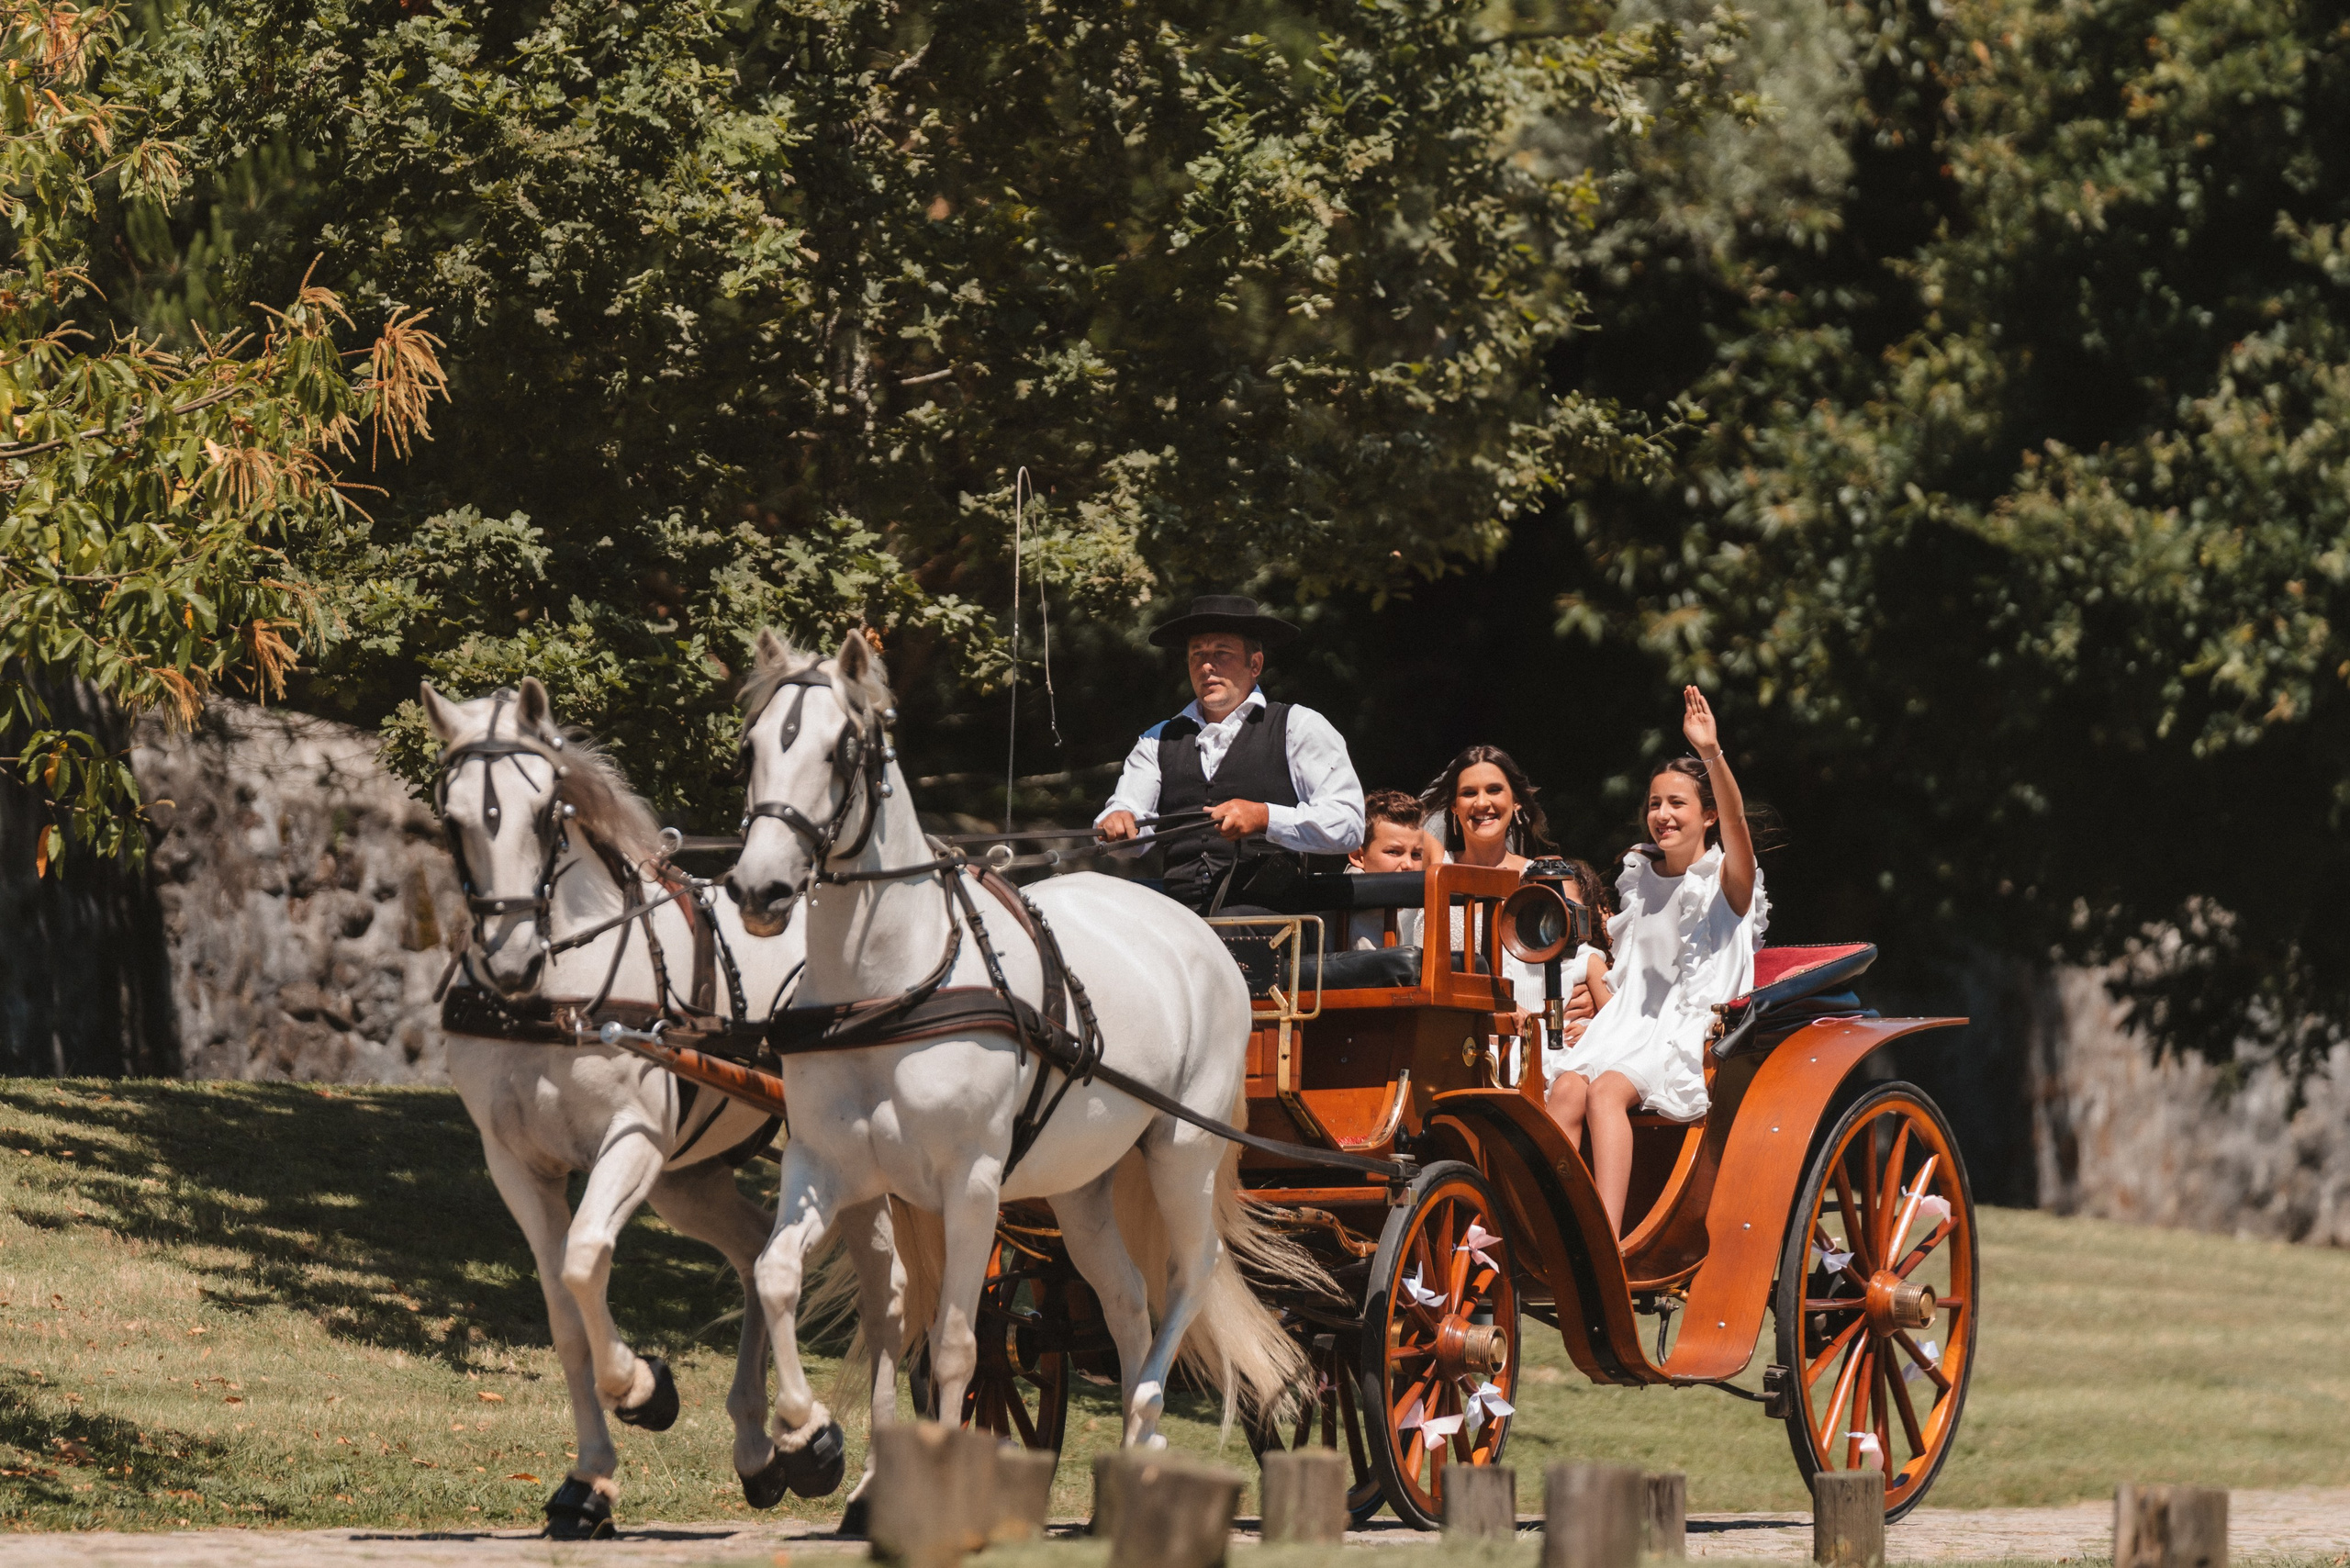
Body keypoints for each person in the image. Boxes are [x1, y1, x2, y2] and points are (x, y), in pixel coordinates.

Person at [1547, 686, 1767, 1238]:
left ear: (1708, 815)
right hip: (1629, 1026)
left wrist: (1711, 753)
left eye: (1677, 803)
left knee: (1606, 1091)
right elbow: (1631, 982)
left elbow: (1739, 825)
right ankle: (1556, 1227)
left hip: (1687, 1031)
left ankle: (1605, 1239)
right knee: (1566, 1088)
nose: (1662, 815)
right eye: (1654, 804)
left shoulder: (1726, 881)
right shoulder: (1639, 879)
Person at [1095, 594, 1365, 913]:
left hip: (1270, 921)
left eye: (1222, 653)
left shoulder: (1299, 726)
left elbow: (1348, 825)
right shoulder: (1157, 739)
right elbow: (1130, 822)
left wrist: (1265, 817)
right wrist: (1118, 821)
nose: (1207, 666)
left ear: (1255, 664)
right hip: (1178, 917)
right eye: (1197, 654)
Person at [1344, 789, 1426, 949]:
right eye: (1394, 852)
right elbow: (1372, 965)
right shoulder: (1366, 907)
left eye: (1416, 854)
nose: (1408, 864)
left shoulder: (1381, 902)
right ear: (1358, 856)